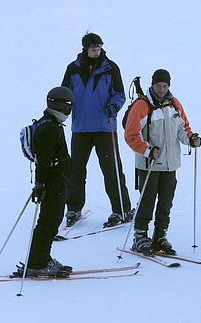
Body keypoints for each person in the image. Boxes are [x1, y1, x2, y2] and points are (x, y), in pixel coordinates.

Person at [124, 69, 201, 255]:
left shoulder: (174, 104)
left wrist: (191, 139)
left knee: (166, 202)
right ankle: (140, 236)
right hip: (149, 164)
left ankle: (160, 236)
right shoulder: (141, 106)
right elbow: (131, 135)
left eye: (165, 85)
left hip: (170, 163)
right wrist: (147, 150)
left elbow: (183, 128)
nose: (161, 89)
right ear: (152, 84)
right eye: (158, 85)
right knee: (147, 201)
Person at [61, 32, 133, 227]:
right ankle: (73, 208)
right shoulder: (73, 69)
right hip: (80, 128)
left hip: (105, 127)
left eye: (99, 47)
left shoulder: (111, 68)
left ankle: (122, 209)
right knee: (75, 171)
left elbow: (119, 94)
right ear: (85, 48)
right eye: (93, 47)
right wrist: (62, 110)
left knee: (112, 170)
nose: (96, 50)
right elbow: (65, 94)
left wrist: (114, 106)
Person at [22, 86, 74, 276]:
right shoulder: (50, 128)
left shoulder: (52, 123)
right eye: (69, 106)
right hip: (53, 183)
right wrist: (40, 183)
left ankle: (43, 258)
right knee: (49, 222)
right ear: (60, 105)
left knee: (51, 221)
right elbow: (43, 160)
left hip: (56, 181)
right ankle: (37, 263)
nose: (70, 110)